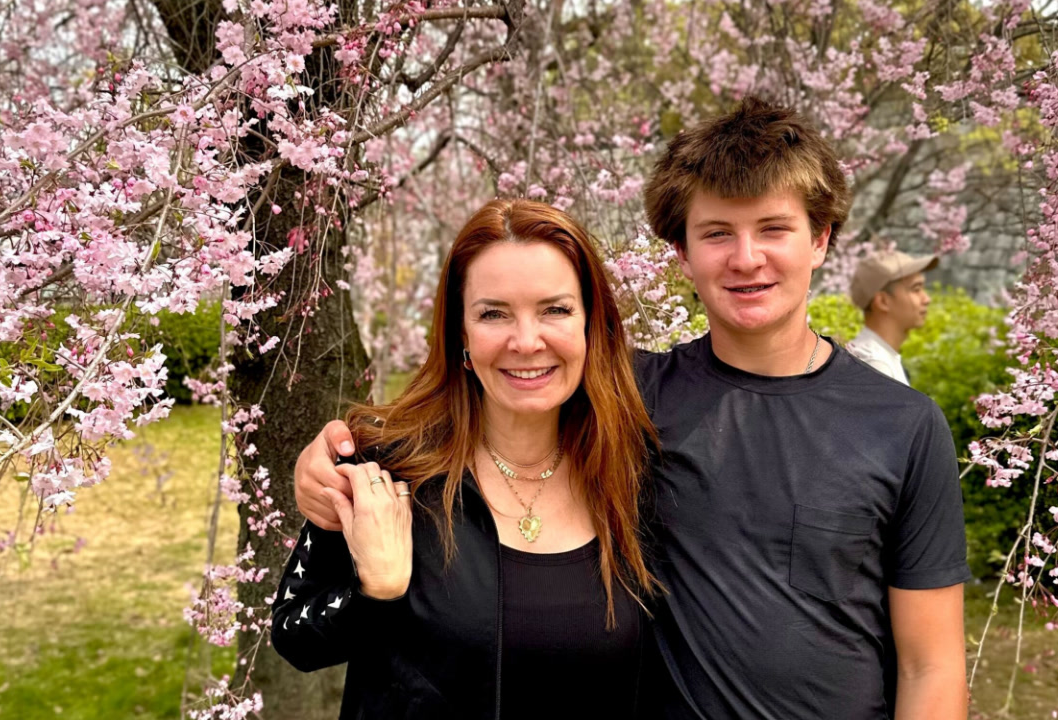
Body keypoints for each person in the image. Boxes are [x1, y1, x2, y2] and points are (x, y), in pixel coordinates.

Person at [293, 99, 970, 719]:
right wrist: (330, 458)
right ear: (680, 253)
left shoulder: (902, 427)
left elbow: (930, 663)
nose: (747, 258)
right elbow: (503, 385)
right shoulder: (626, 398)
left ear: (820, 238)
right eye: (716, 233)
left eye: (774, 228)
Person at [270, 199, 665, 719]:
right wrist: (375, 591)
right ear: (460, 330)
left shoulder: (638, 471)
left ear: (592, 323)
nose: (526, 342)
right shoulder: (384, 467)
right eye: (493, 314)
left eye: (555, 309)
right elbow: (294, 634)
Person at [846, 249, 939, 385]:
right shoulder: (875, 364)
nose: (926, 299)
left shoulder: (882, 358)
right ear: (883, 301)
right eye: (916, 289)